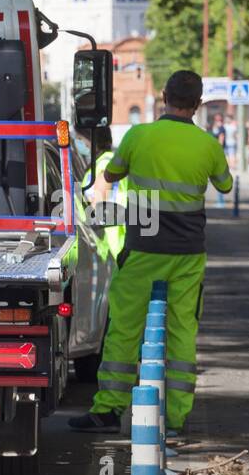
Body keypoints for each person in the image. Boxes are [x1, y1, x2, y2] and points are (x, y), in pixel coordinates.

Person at [69, 70, 232, 434]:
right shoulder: (207, 144)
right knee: (182, 332)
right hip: (189, 254)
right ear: (199, 104)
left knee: (124, 329)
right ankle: (175, 418)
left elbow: (110, 176)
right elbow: (224, 184)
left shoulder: (139, 136)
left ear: (163, 96)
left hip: (144, 248)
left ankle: (108, 410)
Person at [79, 126, 126, 262]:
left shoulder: (105, 163)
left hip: (115, 238)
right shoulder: (104, 161)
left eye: (80, 139)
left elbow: (98, 200)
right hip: (109, 237)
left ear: (92, 140)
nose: (79, 142)